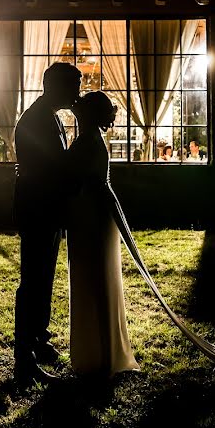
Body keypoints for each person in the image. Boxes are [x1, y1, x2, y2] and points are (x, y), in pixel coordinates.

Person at [12, 61, 82, 387]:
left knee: (45, 278)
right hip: (37, 208)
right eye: (74, 87)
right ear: (56, 87)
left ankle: (39, 339)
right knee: (33, 281)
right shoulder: (36, 120)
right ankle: (24, 358)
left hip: (47, 209)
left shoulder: (50, 115)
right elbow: (50, 167)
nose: (77, 94)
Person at [66, 91, 140, 380]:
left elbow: (84, 181)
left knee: (94, 280)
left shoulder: (87, 142)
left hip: (90, 216)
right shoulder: (91, 140)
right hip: (90, 214)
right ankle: (99, 352)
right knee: (94, 279)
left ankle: (102, 356)